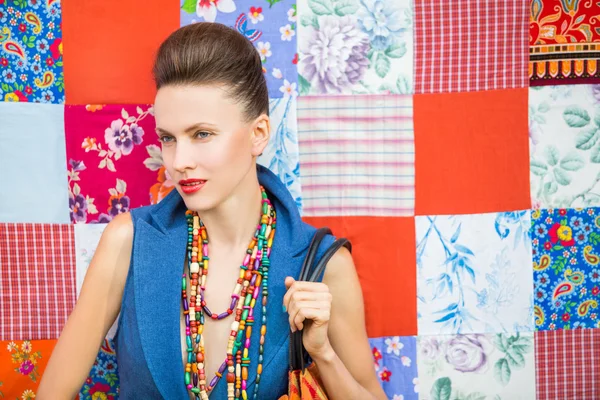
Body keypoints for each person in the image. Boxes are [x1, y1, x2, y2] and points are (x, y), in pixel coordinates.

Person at [37, 22, 386, 400]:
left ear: (259, 134)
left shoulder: (321, 263)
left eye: (202, 134)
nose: (179, 161)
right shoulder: (129, 241)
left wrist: (323, 354)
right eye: (168, 138)